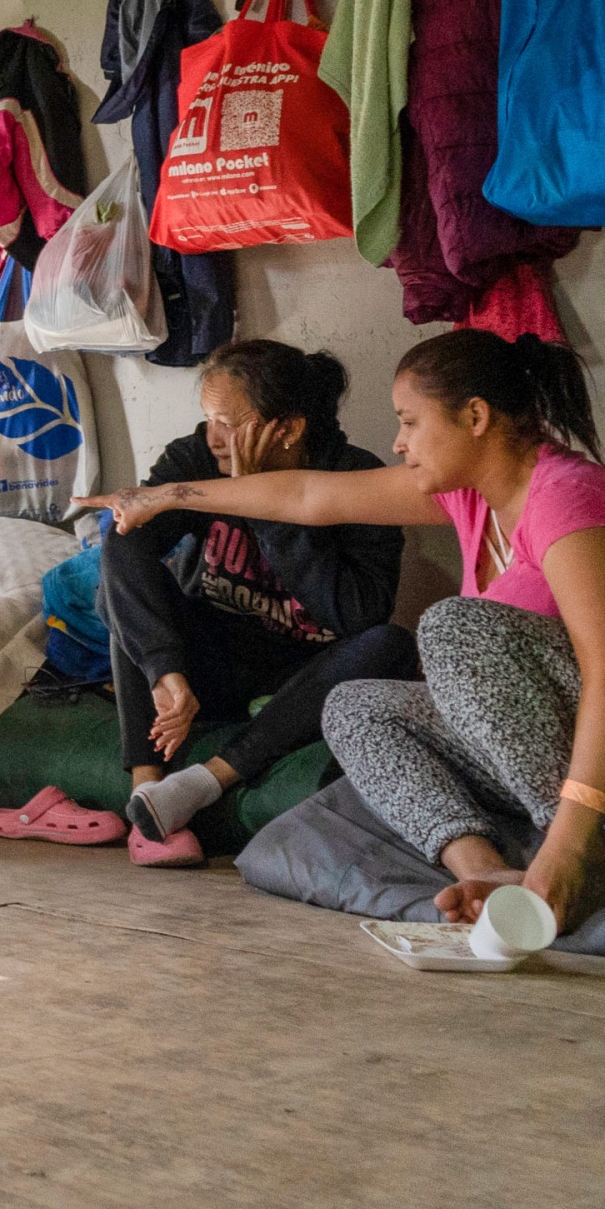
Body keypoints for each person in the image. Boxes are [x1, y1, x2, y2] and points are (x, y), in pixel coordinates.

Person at [81, 330, 605, 933]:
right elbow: (306, 498)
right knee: (356, 706)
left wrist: (569, 843)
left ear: (476, 417)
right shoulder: (468, 495)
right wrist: (167, 496)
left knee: (453, 628)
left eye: (410, 421)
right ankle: (484, 871)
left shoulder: (568, 497)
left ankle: (587, 860)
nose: (398, 440)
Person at [99, 341, 412, 863]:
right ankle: (146, 790)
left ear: (286, 429)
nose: (214, 438)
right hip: (212, 664)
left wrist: (262, 503)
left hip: (297, 677)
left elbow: (359, 616)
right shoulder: (199, 455)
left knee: (390, 644)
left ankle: (205, 781)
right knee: (124, 587)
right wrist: (163, 669)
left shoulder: (354, 477)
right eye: (208, 420)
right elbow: (129, 539)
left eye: (227, 422)